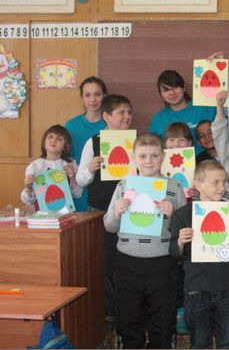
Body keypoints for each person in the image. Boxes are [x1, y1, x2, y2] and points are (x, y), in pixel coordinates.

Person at [103, 133, 186, 349]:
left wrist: (173, 215)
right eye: (142, 156)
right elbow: (109, 226)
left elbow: (183, 233)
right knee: (128, 318)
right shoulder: (123, 186)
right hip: (127, 263)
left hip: (163, 263)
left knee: (163, 319)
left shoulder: (175, 187)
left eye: (154, 155)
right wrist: (117, 213)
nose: (148, 161)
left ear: (163, 157)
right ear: (134, 158)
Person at [170, 160, 229, 349]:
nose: (222, 187)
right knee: (200, 342)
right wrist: (180, 241)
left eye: (224, 182)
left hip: (227, 286)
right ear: (198, 184)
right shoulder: (183, 214)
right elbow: (174, 253)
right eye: (216, 182)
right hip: (197, 287)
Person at [76, 94, 133, 323]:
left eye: (129, 112)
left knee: (128, 261)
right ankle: (110, 314)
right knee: (107, 262)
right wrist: (90, 169)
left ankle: (129, 312)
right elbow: (80, 180)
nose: (127, 117)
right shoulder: (94, 142)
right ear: (106, 116)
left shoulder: (136, 141)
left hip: (130, 209)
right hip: (100, 210)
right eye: (121, 112)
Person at [149, 52, 229, 154]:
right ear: (160, 94)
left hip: (210, 161)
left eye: (175, 87)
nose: (172, 93)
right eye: (166, 90)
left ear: (184, 87)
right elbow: (152, 149)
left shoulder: (204, 105)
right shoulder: (158, 119)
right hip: (175, 163)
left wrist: (223, 69)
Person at [65, 77, 108, 211]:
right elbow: (66, 157)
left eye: (97, 94)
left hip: (104, 189)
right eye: (87, 95)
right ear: (82, 98)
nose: (93, 99)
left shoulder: (111, 124)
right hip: (78, 187)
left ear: (104, 95)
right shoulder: (71, 125)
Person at [21, 125, 82, 208]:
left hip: (65, 212)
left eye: (59, 139)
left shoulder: (71, 165)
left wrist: (72, 178)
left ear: (65, 146)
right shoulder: (35, 166)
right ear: (44, 142)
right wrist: (28, 188)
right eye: (50, 137)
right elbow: (27, 201)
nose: (54, 140)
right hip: (41, 213)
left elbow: (78, 195)